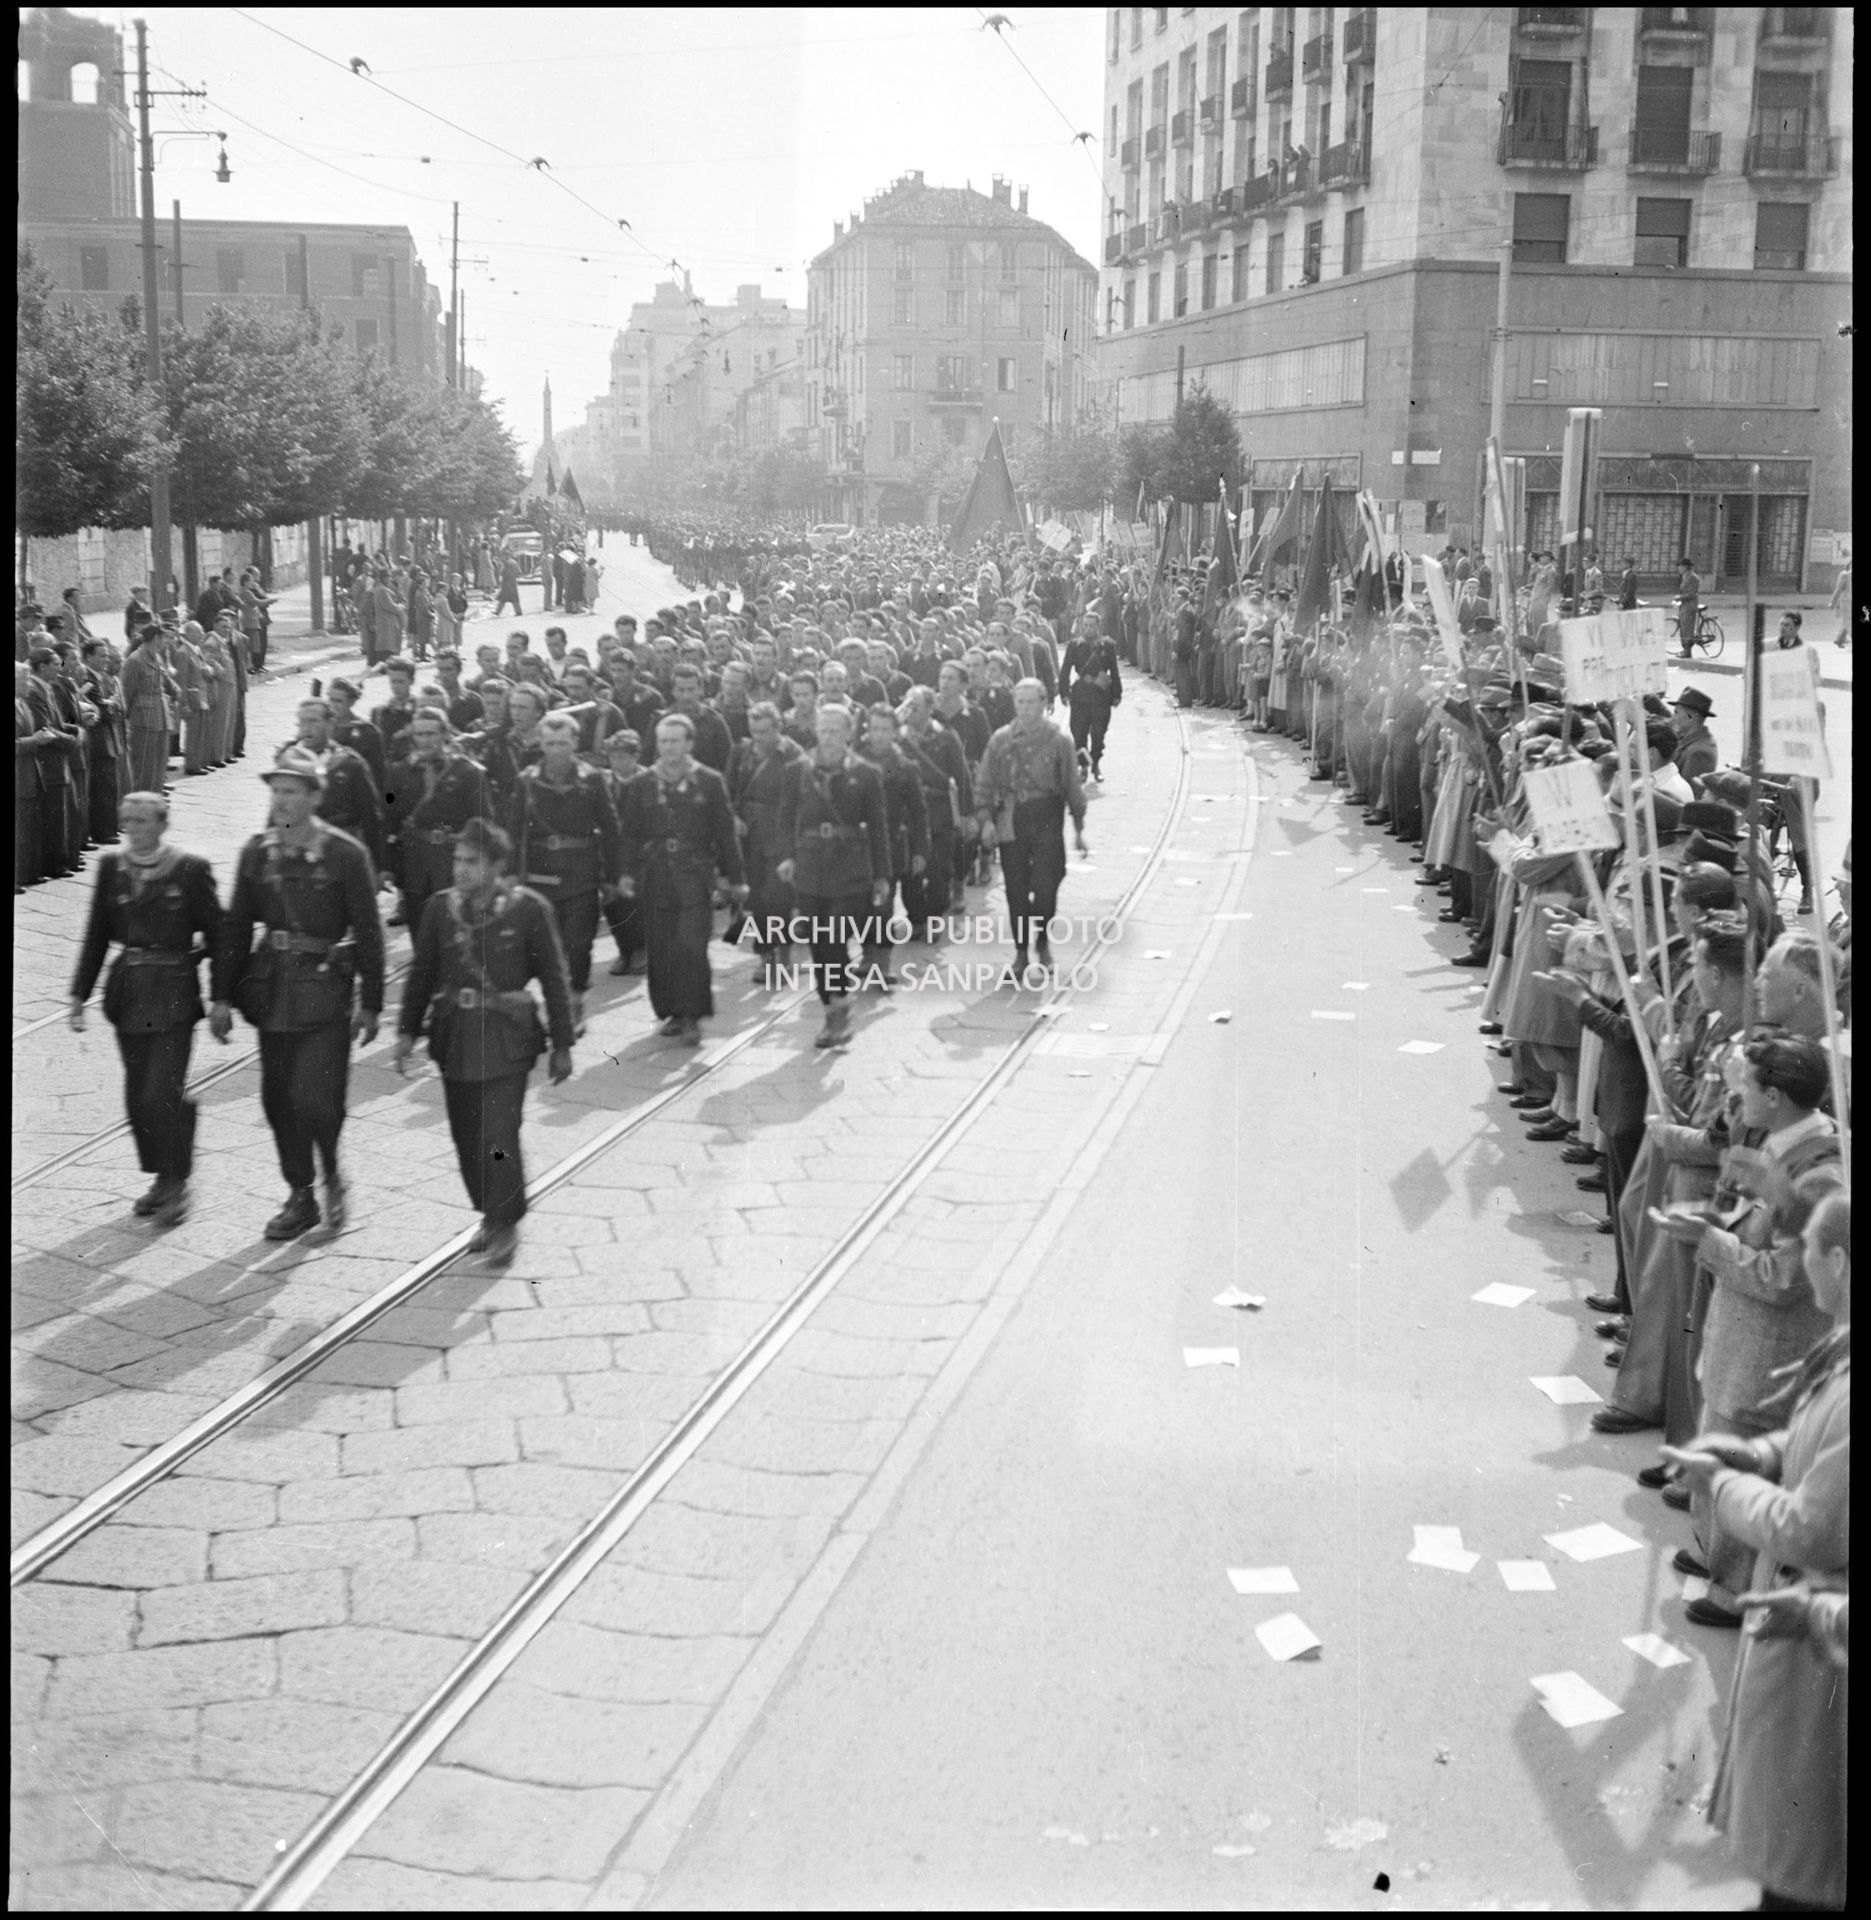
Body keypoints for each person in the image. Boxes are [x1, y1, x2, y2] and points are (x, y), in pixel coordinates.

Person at [1665, 1189, 1847, 1913]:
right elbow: (1809, 1441)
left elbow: (1810, 1528)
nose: (1801, 1263)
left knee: (1805, 1849)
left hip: (1820, 1651)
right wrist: (1755, 1452)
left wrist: (1730, 1492)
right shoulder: (1839, 1349)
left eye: (1808, 1250)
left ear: (1835, 1260)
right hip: (1803, 1632)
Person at [1654, 1034, 1843, 1627]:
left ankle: (1732, 1590)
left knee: (1740, 1452)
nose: (1736, 1090)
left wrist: (1705, 1242)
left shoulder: (1820, 1174)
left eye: (1748, 1084)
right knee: (1721, 1435)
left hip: (1769, 1350)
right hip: (1739, 1337)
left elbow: (1783, 1278)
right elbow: (1753, 1223)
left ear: (1777, 1096)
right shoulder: (1783, 1143)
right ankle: (1716, 1554)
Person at [210, 746, 386, 1240]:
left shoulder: (346, 854)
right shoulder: (257, 851)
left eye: (291, 791)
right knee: (276, 1100)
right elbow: (236, 926)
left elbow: (370, 934)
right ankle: (301, 1193)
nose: (281, 800)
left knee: (317, 1100)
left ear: (314, 796)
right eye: (276, 790)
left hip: (325, 991)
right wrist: (221, 996)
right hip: (273, 992)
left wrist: (371, 1003)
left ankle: (329, 1170)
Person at [394, 818, 574, 1267]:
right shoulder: (440, 909)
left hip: (507, 1040)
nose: (460, 869)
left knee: (498, 1134)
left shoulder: (527, 909)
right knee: (466, 1137)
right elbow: (421, 974)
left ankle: (505, 1222)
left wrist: (563, 1043)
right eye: (457, 859)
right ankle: (490, 1214)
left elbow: (554, 978)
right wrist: (405, 1032)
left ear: (496, 865)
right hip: (455, 1036)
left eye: (471, 861)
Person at [67, 791, 223, 1226]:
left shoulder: (191, 869)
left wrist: (210, 981)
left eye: (141, 820)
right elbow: (97, 933)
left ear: (162, 824)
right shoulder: (111, 867)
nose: (131, 828)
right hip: (128, 994)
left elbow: (221, 929)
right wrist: (79, 993)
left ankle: (177, 1182)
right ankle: (160, 1175)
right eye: (126, 820)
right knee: (138, 1097)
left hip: (174, 995)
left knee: (160, 1092)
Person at [614, 712, 745, 1045]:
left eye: (675, 740)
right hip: (656, 874)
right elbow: (629, 833)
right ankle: (670, 1011)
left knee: (692, 943)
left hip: (695, 875)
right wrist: (626, 872)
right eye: (663, 741)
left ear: (689, 743)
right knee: (661, 945)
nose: (669, 747)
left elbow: (726, 834)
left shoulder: (709, 780)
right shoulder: (643, 783)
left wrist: (735, 877)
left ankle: (692, 1014)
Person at [776, 702, 890, 1049]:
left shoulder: (867, 773)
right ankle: (831, 1008)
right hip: (811, 868)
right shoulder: (798, 769)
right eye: (822, 730)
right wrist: (786, 857)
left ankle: (839, 1012)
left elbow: (879, 828)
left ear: (849, 733)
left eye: (835, 731)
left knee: (835, 940)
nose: (827, 737)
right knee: (817, 943)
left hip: (850, 868)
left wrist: (882, 876)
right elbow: (785, 818)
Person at [507, 710, 622, 1034]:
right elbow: (514, 831)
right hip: (539, 876)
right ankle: (554, 1004)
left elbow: (611, 829)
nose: (556, 749)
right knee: (543, 946)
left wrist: (612, 877)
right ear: (541, 745)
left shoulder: (593, 778)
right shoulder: (526, 781)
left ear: (575, 743)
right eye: (550, 743)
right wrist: (511, 874)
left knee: (578, 942)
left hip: (580, 874)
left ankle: (573, 1003)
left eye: (563, 742)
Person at [975, 679, 1088, 982]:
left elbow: (1072, 786)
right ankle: (1021, 952)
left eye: (1031, 702)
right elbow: (984, 782)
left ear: (1043, 703)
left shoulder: (1058, 741)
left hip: (1047, 816)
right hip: (1012, 818)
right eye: (1020, 702)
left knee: (1047, 885)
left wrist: (1078, 827)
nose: (1025, 708)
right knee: (1015, 888)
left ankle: (1043, 942)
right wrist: (985, 819)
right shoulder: (1000, 739)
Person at [384, 706, 493, 935]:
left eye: (430, 734)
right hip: (415, 860)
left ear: (445, 734)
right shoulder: (399, 772)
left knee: (456, 930)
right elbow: (388, 815)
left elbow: (483, 822)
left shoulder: (468, 773)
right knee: (419, 929)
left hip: (453, 859)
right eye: (419, 734)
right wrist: (388, 864)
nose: (424, 740)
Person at [727, 701, 803, 981]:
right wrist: (734, 817)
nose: (759, 738)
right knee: (757, 897)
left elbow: (803, 798)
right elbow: (728, 790)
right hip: (749, 834)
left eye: (764, 732)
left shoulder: (793, 754)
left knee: (778, 896)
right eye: (754, 731)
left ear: (778, 728)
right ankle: (764, 955)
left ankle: (781, 955)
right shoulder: (741, 752)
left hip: (781, 834)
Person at [289, 696, 385, 868]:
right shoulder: (290, 762)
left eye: (313, 721)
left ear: (330, 724)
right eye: (302, 721)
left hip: (341, 853)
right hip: (299, 852)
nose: (306, 728)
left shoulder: (349, 764)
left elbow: (371, 817)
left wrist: (377, 866)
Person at [1059, 613, 1124, 782]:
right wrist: (1064, 693)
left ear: (1098, 626)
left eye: (1092, 625)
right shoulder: (1075, 645)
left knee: (1098, 733)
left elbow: (1114, 671)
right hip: (1080, 694)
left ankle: (1095, 764)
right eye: (1085, 625)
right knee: (1079, 734)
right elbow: (1065, 670)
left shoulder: (1107, 645)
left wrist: (1117, 693)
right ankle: (1084, 766)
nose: (1088, 629)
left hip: (1101, 695)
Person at [1670, 686, 1719, 791]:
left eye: (1676, 713)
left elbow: (1691, 793)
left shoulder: (1699, 752)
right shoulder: (1691, 740)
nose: (1673, 718)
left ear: (1691, 717)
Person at [1675, 555, 1702, 657]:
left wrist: (1679, 598)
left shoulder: (1693, 577)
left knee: (1687, 629)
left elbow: (1692, 594)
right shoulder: (1685, 576)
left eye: (1681, 566)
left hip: (1689, 606)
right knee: (1683, 628)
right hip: (1684, 606)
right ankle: (1685, 650)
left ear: (1686, 567)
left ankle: (1687, 651)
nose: (1679, 568)